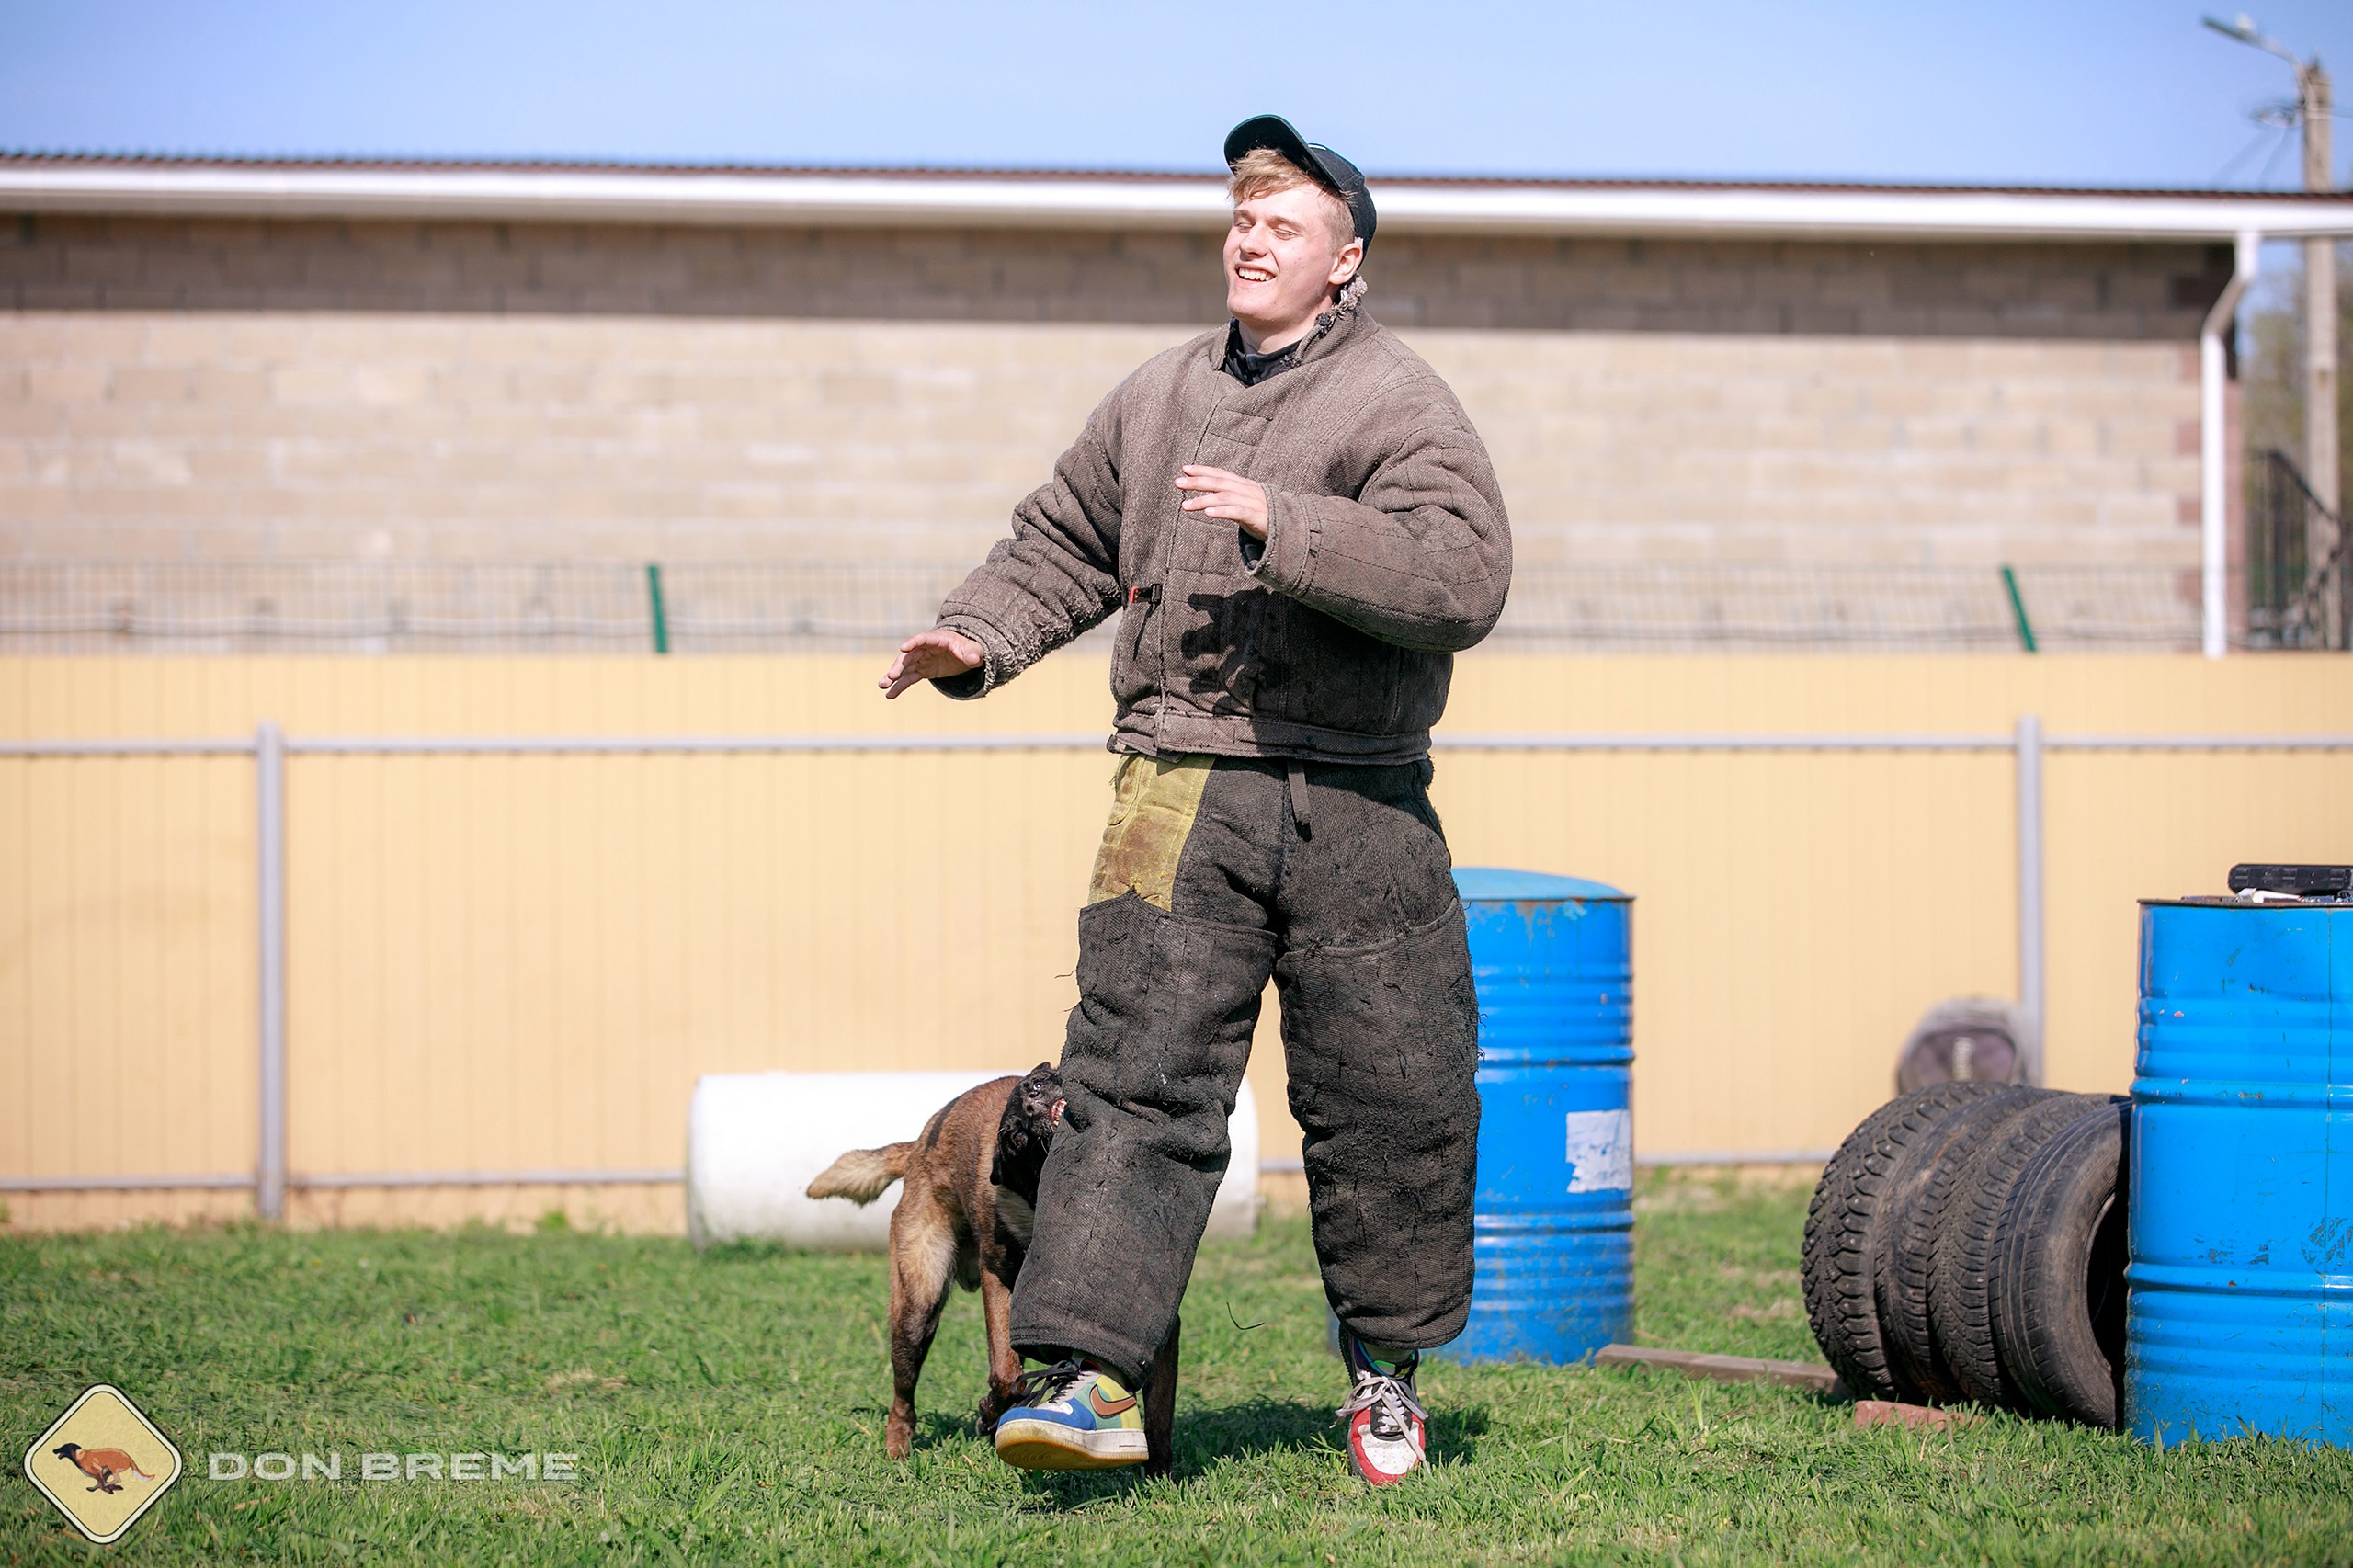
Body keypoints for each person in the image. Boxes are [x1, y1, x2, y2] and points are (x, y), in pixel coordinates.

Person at [878, 114, 1512, 1486]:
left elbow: (1463, 574)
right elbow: (1058, 538)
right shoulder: (1156, 396)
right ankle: (1089, 1377)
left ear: (1346, 260)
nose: (1248, 238)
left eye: (1281, 222)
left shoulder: (1401, 404)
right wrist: (976, 636)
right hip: (1175, 787)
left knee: (1393, 1094)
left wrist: (1286, 522)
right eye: (1238, 216)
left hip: (1362, 805)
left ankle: (1386, 1382)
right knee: (1129, 1083)